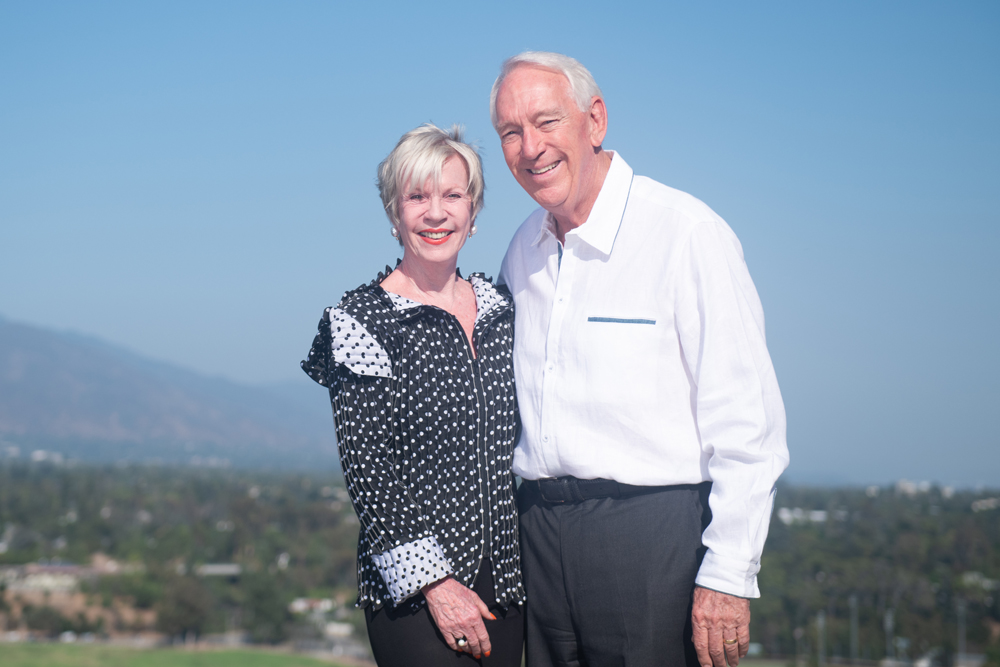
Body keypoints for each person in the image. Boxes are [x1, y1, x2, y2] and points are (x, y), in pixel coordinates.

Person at [493, 52, 790, 667]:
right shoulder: (522, 249)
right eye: (510, 132)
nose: (530, 147)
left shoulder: (686, 233)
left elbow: (748, 424)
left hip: (651, 540)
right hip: (539, 540)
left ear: (594, 120)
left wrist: (729, 574)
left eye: (546, 122)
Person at [302, 123, 525, 666]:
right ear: (394, 212)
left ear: (473, 213)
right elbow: (369, 472)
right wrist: (438, 587)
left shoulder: (503, 307)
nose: (436, 212)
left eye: (453, 195)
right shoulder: (360, 321)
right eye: (417, 197)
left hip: (512, 583)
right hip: (417, 599)